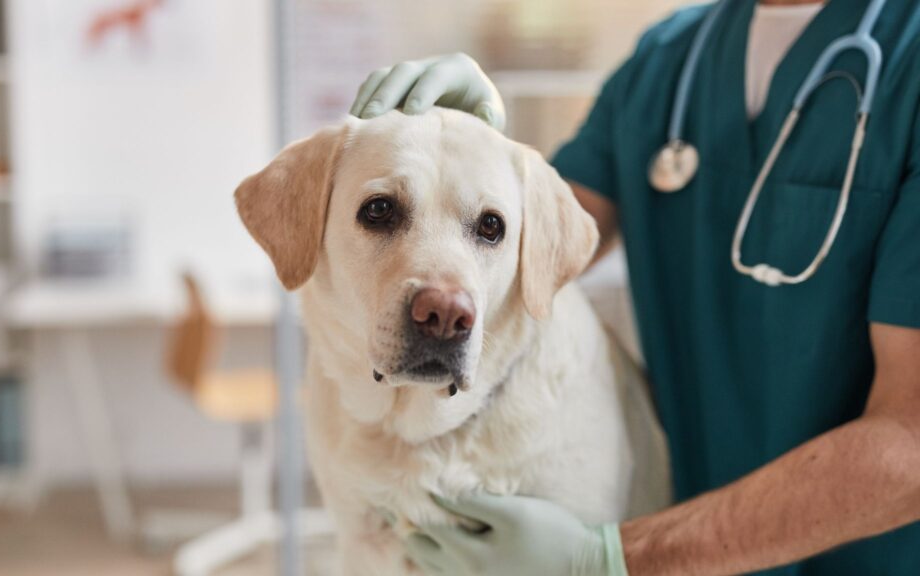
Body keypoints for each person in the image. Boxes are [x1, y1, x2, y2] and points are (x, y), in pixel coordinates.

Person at [348, 1, 920, 575]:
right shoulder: (667, 61)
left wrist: (610, 558)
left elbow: (912, 440)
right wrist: (467, 151)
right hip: (680, 519)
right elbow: (532, 242)